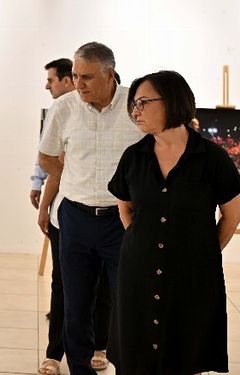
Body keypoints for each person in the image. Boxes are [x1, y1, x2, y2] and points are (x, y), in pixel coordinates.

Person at [107, 70, 240, 374]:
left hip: (192, 275)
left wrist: (202, 251)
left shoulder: (212, 158)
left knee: (186, 353)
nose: (135, 111)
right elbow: (124, 207)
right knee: (134, 354)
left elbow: (232, 214)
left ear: (171, 101)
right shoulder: (134, 156)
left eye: (142, 102)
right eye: (133, 104)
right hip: (137, 272)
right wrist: (142, 242)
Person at [39, 42, 143, 374]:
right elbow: (46, 156)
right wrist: (69, 176)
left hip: (121, 220)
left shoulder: (136, 105)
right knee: (75, 304)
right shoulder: (64, 108)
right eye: (74, 75)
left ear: (109, 74)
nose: (78, 83)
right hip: (75, 217)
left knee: (125, 302)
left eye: (86, 77)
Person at [35, 58, 112, 374]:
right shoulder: (62, 112)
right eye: (77, 77)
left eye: (52, 80)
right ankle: (56, 351)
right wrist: (44, 203)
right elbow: (49, 162)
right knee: (64, 284)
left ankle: (99, 345)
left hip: (107, 215)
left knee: (104, 284)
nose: (48, 86)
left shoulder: (116, 114)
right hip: (68, 214)